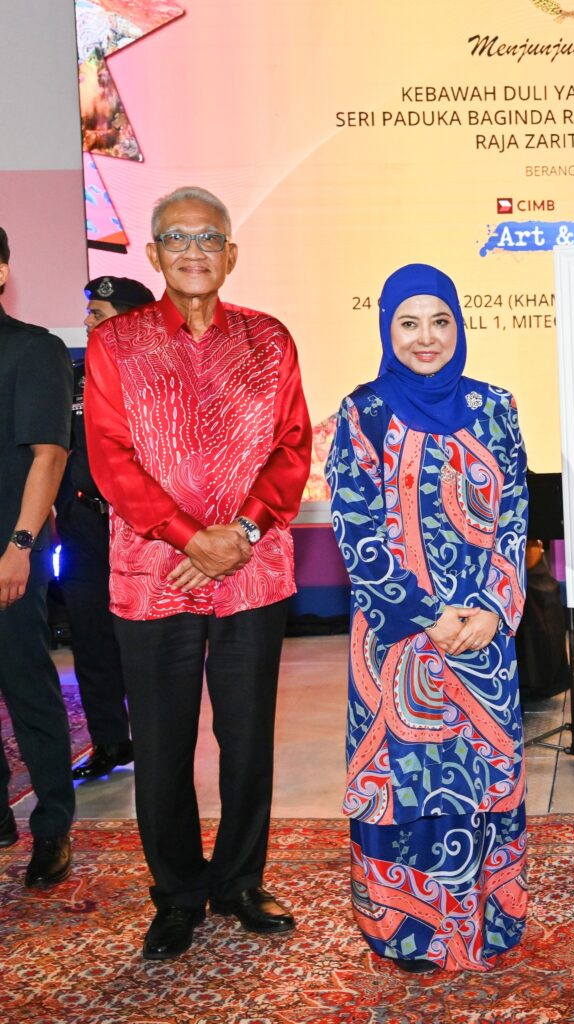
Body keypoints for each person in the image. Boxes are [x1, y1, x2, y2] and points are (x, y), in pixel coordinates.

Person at [85, 187, 312, 960]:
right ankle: (178, 894)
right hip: (156, 571)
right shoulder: (116, 345)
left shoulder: (269, 340)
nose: (193, 250)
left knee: (247, 739)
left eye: (209, 237)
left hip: (254, 566)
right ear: (153, 253)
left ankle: (241, 881)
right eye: (177, 238)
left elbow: (292, 446)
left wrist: (240, 532)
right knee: (162, 743)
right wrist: (190, 538)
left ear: (231, 254)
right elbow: (111, 458)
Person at [326, 264, 530, 974]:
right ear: (387, 329)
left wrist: (495, 607)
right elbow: (356, 530)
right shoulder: (362, 413)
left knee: (482, 776)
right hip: (395, 643)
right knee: (404, 784)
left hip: (484, 637)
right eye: (408, 322)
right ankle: (408, 930)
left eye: (440, 321)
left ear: (459, 326)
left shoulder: (496, 407)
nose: (425, 337)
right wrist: (426, 616)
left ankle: (490, 921)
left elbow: (514, 517)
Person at [0, 224, 77, 886]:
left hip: (8, 549)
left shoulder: (34, 350)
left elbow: (49, 456)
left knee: (26, 687)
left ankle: (52, 824)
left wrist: (21, 545)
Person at [62, 276, 155, 780]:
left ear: (131, 319)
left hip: (142, 526)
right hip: (84, 525)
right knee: (91, 637)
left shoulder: (163, 378)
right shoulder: (72, 378)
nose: (87, 321)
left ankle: (158, 742)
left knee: (147, 640)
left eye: (97, 313)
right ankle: (110, 742)